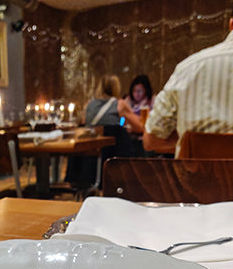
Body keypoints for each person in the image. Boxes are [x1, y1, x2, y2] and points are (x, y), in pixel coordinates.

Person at [144, 13, 233, 157]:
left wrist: (191, 144)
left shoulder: (189, 67)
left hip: (196, 177)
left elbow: (152, 140)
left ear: (231, 24)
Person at [65, 74, 143, 191]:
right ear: (116, 88)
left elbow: (84, 122)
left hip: (87, 161)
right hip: (111, 159)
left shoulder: (89, 104)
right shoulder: (119, 104)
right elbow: (140, 127)